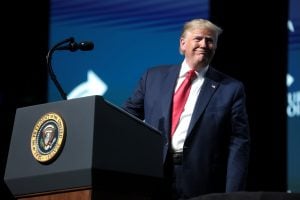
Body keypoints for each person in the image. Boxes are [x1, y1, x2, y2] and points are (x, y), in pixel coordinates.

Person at [122, 18, 250, 200]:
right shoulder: (153, 77)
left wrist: (233, 194)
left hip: (202, 182)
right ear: (183, 43)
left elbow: (238, 144)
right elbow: (126, 116)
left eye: (210, 40)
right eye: (198, 39)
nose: (204, 44)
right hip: (152, 175)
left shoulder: (230, 89)